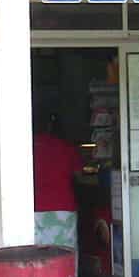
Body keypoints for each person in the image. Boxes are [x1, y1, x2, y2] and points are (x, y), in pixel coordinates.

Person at [32, 112, 84, 262]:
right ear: (50, 126)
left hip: (32, 209)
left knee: (36, 259)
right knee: (64, 257)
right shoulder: (66, 147)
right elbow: (79, 175)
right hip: (62, 208)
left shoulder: (23, 148)